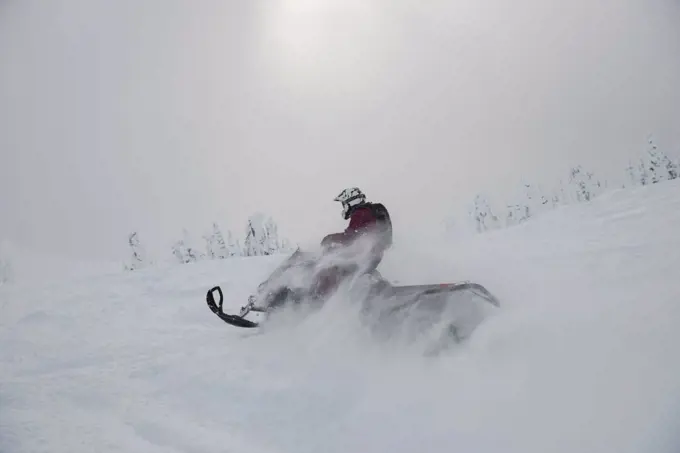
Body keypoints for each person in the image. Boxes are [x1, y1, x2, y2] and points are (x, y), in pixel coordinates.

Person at [312, 187, 393, 298]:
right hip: (372, 256)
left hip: (363, 256)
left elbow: (350, 237)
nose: (344, 207)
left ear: (351, 201)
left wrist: (329, 239)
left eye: (344, 204)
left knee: (329, 268)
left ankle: (320, 297)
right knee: (337, 264)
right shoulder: (369, 212)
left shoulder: (361, 213)